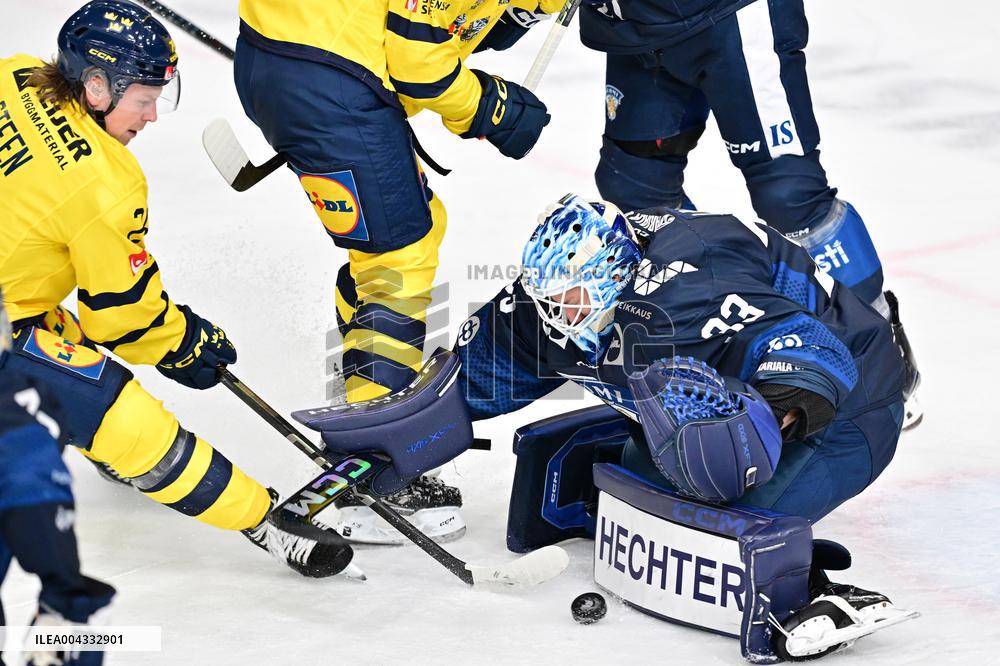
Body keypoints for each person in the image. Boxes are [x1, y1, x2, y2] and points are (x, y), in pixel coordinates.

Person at [0, 1, 350, 578]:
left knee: (61, 338)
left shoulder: (16, 73)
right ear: (94, 87)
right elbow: (123, 316)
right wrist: (185, 342)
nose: (154, 115)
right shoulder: (105, 184)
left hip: (17, 304)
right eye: (144, 98)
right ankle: (264, 522)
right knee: (121, 414)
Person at [231, 0, 562, 542]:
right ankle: (375, 468)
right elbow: (417, 62)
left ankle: (362, 382)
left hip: (290, 56)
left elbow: (428, 27)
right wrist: (486, 107)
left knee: (414, 230)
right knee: (397, 261)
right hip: (328, 78)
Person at [508, 0, 922, 428]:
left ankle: (879, 348)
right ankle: (716, 336)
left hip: (731, 18)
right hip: (637, 29)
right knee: (635, 192)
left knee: (790, 194)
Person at [457, 194, 906, 522]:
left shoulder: (693, 287)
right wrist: (398, 437)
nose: (558, 315)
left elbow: (816, 349)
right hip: (742, 382)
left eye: (572, 298)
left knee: (729, 517)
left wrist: (752, 429)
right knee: (645, 497)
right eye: (548, 297)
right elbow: (473, 380)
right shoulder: (545, 305)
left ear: (614, 273)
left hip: (853, 399)